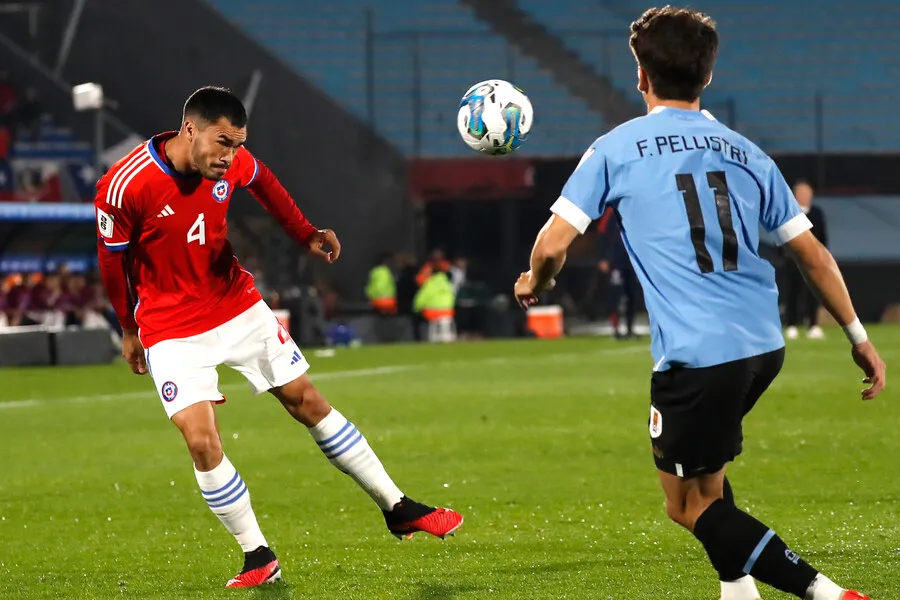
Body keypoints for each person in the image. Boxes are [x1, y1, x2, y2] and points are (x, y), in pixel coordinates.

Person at [513, 8, 884, 600]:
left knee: (686, 504)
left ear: (641, 76)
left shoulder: (615, 148)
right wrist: (858, 336)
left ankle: (826, 593)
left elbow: (553, 244)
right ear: (707, 78)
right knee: (708, 476)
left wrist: (537, 281)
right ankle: (738, 592)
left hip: (698, 356)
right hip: (763, 345)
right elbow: (812, 256)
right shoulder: (745, 151)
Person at [95, 86, 462, 589]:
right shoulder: (125, 186)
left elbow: (263, 179)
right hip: (170, 326)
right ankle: (257, 554)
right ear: (190, 130)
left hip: (235, 304)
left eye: (237, 144)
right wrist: (129, 328)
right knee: (201, 440)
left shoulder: (233, 163)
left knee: (306, 400)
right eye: (222, 143)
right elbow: (112, 261)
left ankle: (397, 506)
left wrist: (303, 230)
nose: (229, 157)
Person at [784, 180, 828, 340]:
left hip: (813, 261)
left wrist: (822, 257)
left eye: (807, 193)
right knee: (792, 292)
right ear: (795, 195)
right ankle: (791, 325)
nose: (805, 196)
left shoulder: (817, 213)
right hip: (793, 260)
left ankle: (813, 325)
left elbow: (823, 237)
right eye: (801, 193)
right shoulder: (789, 212)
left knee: (814, 293)